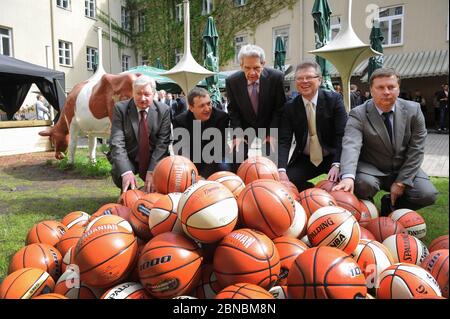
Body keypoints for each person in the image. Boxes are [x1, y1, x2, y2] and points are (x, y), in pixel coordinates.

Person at [332, 68, 437, 216]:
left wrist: (401, 182)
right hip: (372, 168)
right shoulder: (358, 114)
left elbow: (417, 149)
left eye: (391, 87)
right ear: (371, 90)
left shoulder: (414, 110)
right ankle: (368, 214)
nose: (386, 92)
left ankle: (391, 206)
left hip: (403, 167)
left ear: (398, 89)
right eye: (380, 87)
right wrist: (348, 176)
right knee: (361, 184)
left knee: (427, 194)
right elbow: (351, 145)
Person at [278, 61, 348, 191]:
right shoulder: (290, 107)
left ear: (319, 80)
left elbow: (342, 135)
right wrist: (281, 170)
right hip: (306, 158)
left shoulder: (334, 100)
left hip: (332, 155)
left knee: (342, 184)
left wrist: (337, 164)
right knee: (287, 183)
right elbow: (284, 140)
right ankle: (310, 192)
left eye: (309, 77)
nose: (304, 81)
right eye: (299, 78)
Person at [107, 75, 171, 193]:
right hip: (130, 156)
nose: (142, 98)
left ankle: (156, 193)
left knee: (165, 173)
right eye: (138, 94)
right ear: (132, 92)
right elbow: (117, 141)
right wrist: (126, 172)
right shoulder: (120, 109)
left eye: (147, 94)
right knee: (119, 170)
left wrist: (152, 171)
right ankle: (128, 192)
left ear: (153, 94)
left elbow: (163, 143)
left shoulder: (164, 110)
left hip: (153, 157)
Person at [225, 44, 286, 164]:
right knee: (237, 155)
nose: (252, 72)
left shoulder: (276, 77)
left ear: (263, 64)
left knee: (271, 156)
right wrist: (238, 134)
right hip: (244, 126)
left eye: (256, 67)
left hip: (269, 125)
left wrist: (272, 134)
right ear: (241, 65)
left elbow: (279, 108)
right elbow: (233, 110)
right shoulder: (232, 81)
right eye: (247, 68)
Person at [172, 87, 231, 178]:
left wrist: (203, 176)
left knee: (224, 166)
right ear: (191, 108)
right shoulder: (179, 121)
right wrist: (190, 170)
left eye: (209, 104)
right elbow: (181, 150)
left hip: (217, 158)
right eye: (202, 105)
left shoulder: (221, 117)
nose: (207, 109)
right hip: (192, 158)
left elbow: (218, 151)